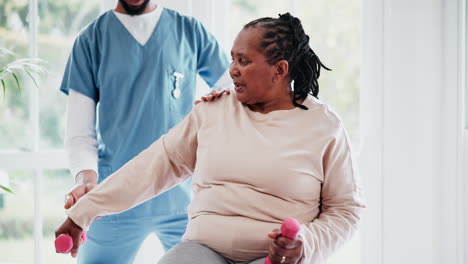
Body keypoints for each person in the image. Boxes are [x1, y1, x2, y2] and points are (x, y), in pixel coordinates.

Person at [57, 12, 365, 264]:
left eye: (244, 61)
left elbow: (345, 210)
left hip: (277, 257)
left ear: (279, 69)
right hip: (204, 249)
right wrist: (81, 214)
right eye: (231, 60)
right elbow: (149, 168)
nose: (231, 71)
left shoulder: (324, 127)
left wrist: (305, 245)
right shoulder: (213, 113)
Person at [59, 0, 232, 262]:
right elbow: (80, 133)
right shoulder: (91, 40)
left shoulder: (190, 31)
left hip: (183, 200)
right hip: (112, 199)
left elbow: (235, 91)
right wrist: (85, 181)